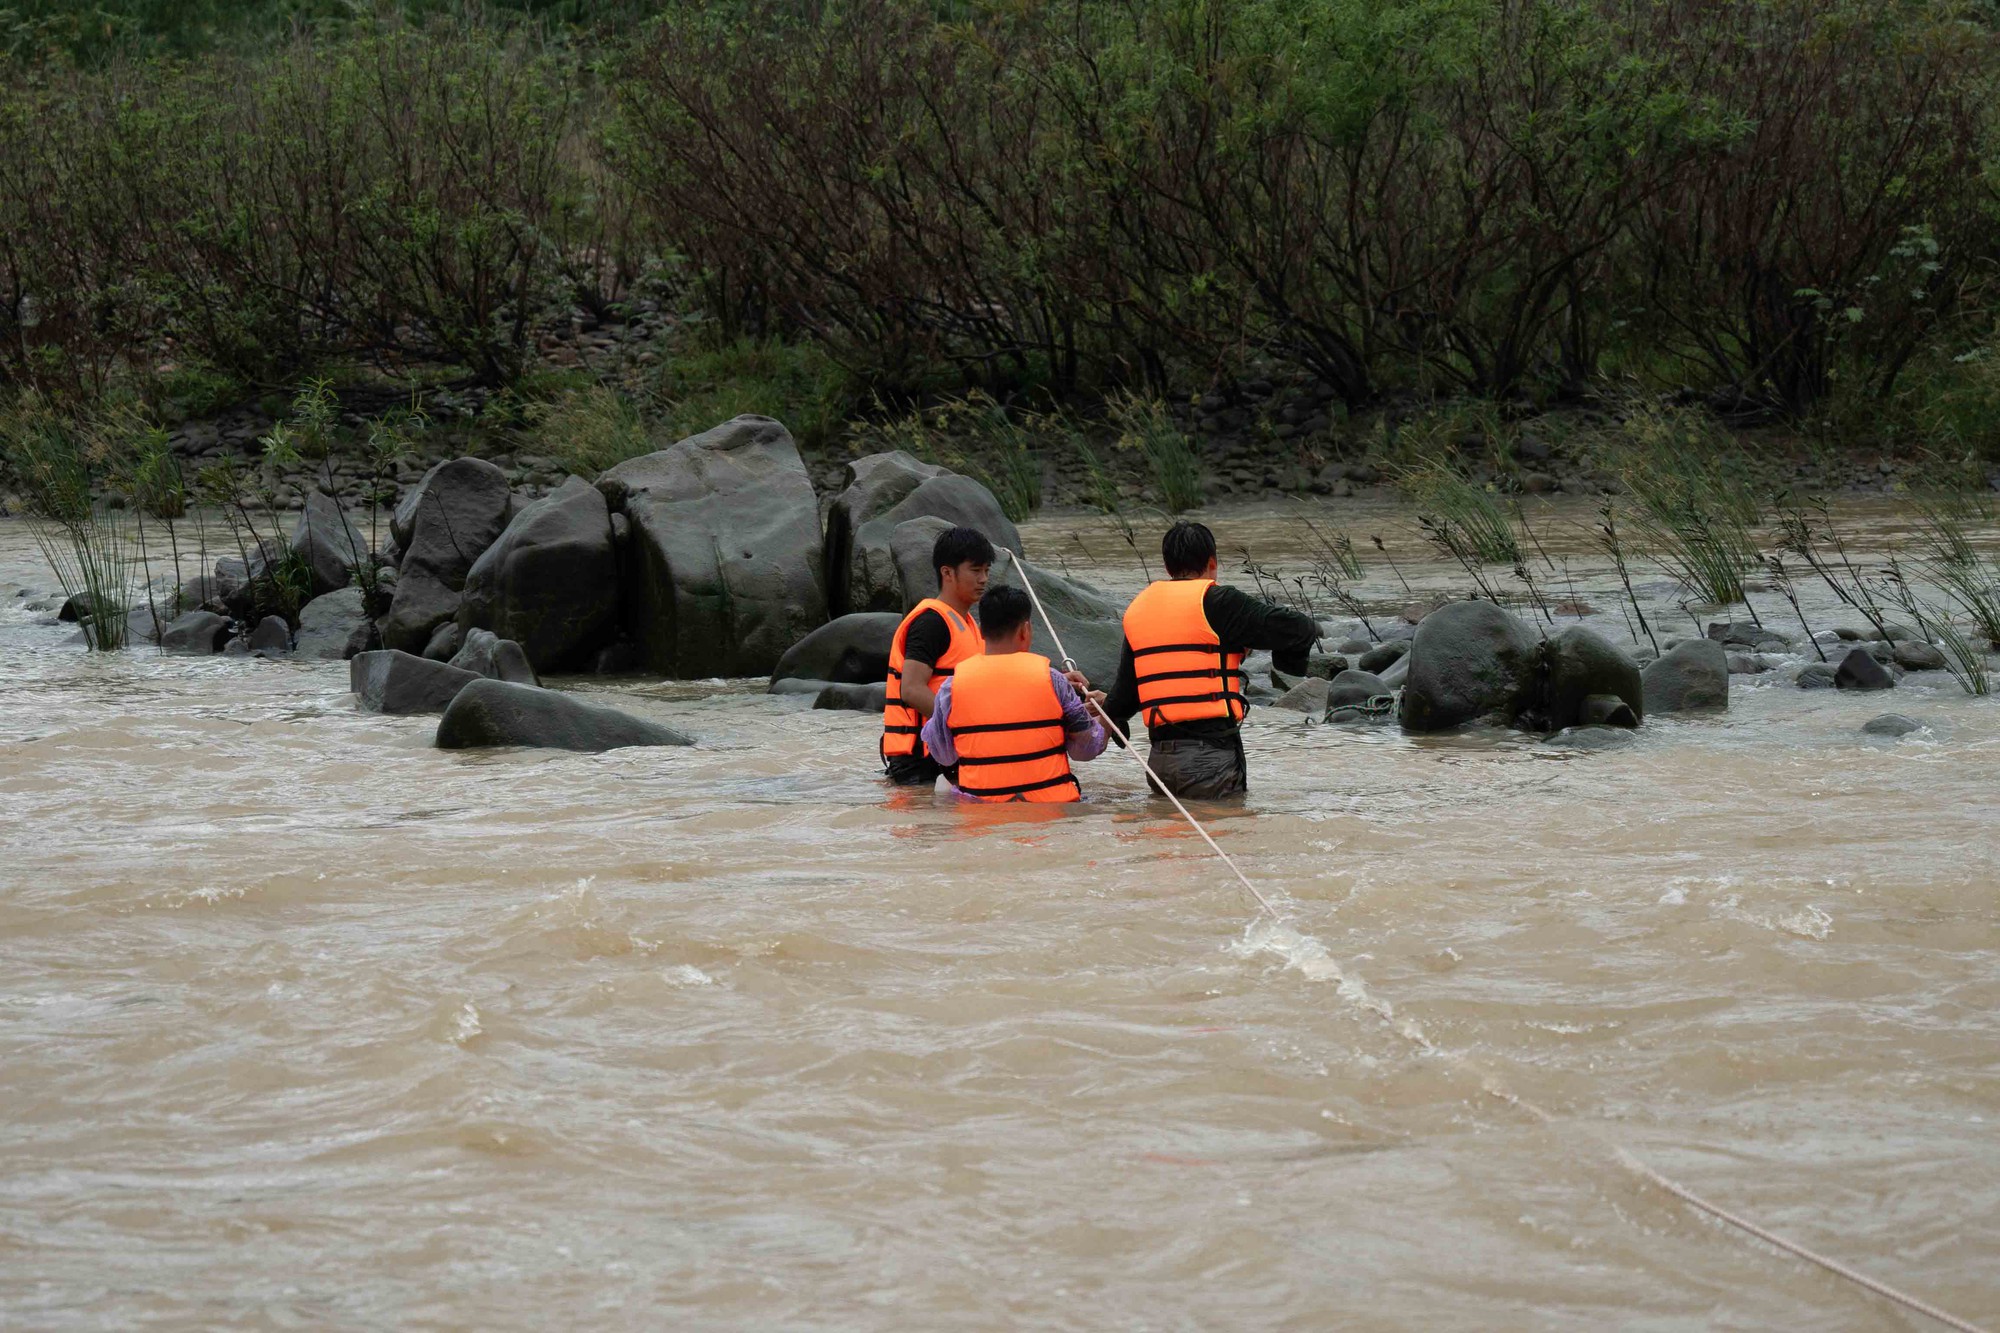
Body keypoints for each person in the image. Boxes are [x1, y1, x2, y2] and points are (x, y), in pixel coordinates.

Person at [1103, 520, 1319, 799]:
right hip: (1210, 762)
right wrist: (1288, 665)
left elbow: (1125, 696)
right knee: (1225, 836)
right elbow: (1299, 629)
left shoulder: (1139, 609)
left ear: (1168, 568)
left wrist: (1110, 718)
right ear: (1212, 563)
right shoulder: (1219, 601)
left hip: (1160, 765)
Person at [918, 586, 1108, 802]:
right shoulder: (1053, 680)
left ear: (981, 631)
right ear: (1025, 630)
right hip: (1051, 816)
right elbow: (1088, 748)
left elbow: (942, 752)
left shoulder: (952, 687)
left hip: (981, 816)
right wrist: (1109, 713)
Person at [881, 526, 994, 786]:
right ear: (947, 572)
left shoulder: (967, 623)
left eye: (987, 570)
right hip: (918, 764)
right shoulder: (931, 622)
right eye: (975, 570)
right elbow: (910, 690)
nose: (984, 579)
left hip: (948, 757)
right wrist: (962, 725)